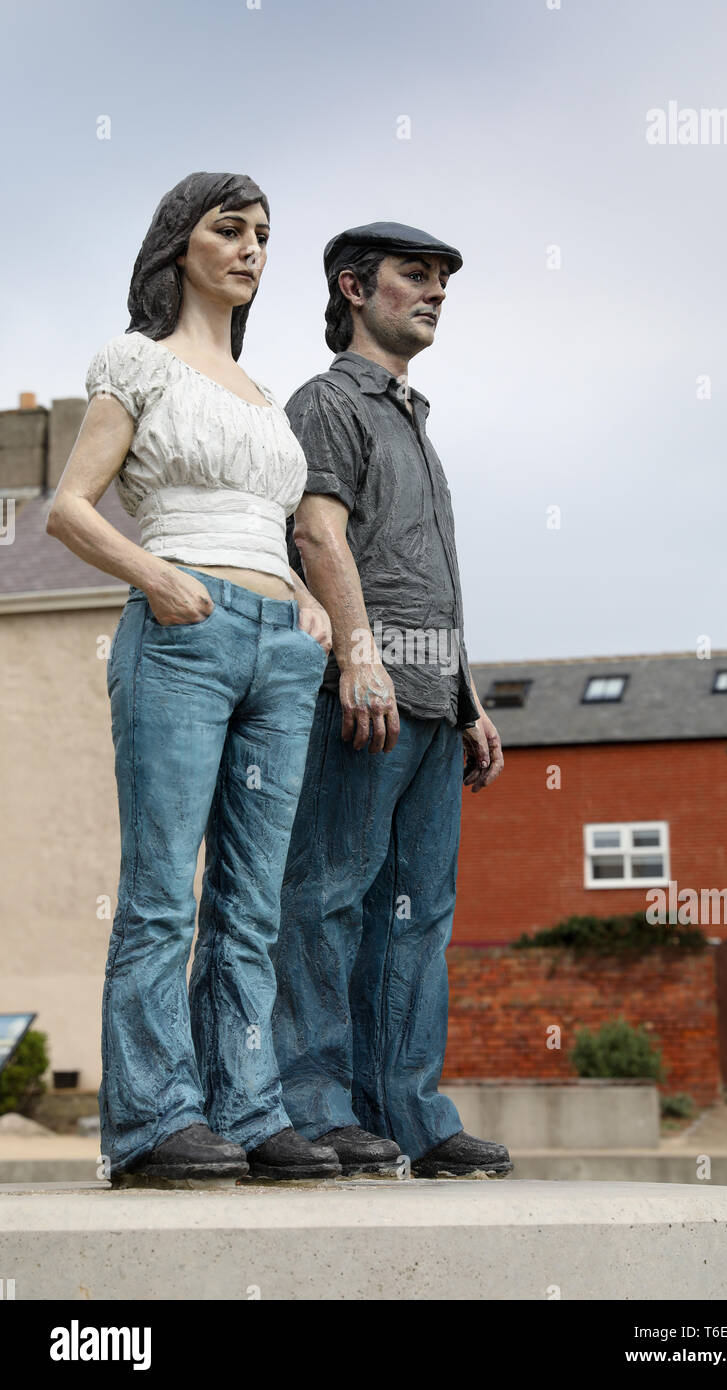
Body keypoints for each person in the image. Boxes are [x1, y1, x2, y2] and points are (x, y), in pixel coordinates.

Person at [45, 171, 341, 1186]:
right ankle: (151, 1123)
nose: (253, 247)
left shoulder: (267, 397)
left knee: (255, 903)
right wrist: (159, 577)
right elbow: (69, 508)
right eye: (230, 228)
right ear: (182, 245)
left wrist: (306, 597)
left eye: (264, 232)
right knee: (166, 893)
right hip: (185, 632)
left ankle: (249, 1110)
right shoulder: (140, 362)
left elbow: (277, 523)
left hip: (281, 650)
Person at [270, 222, 513, 1178]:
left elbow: (426, 576)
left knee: (416, 917)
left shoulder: (416, 417)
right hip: (363, 700)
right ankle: (318, 1107)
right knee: (328, 900)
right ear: (354, 288)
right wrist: (357, 657)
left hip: (430, 703)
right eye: (416, 276)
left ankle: (408, 1116)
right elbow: (319, 535)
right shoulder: (327, 403)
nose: (436, 292)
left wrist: (469, 699)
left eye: (444, 280)